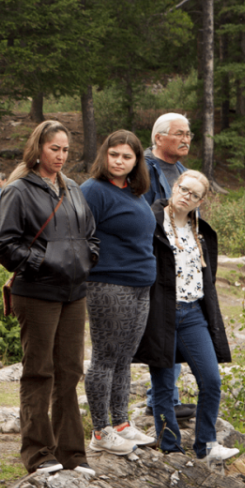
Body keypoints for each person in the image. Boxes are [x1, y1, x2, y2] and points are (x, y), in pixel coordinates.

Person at [0, 121, 100, 476]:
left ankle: (73, 454)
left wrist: (87, 260)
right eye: (54, 148)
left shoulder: (72, 188)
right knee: (39, 372)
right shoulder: (18, 190)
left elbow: (90, 234)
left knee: (69, 373)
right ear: (38, 149)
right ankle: (39, 453)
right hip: (36, 292)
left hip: (74, 293)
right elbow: (3, 245)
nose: (61, 156)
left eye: (66, 149)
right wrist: (45, 263)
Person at [134, 171, 239, 463]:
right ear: (174, 187)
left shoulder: (200, 229)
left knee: (211, 379)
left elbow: (208, 275)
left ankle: (206, 445)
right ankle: (170, 447)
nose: (186, 196)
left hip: (193, 313)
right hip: (160, 314)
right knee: (164, 385)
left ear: (200, 201)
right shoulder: (150, 221)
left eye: (194, 195)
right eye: (183, 189)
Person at [79, 131, 157, 457]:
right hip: (109, 285)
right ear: (104, 156)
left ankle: (122, 424)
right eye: (114, 155)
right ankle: (100, 431)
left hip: (140, 285)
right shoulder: (93, 191)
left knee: (125, 358)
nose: (120, 161)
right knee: (105, 358)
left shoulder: (134, 192)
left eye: (127, 156)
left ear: (137, 161)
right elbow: (79, 235)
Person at [143, 112, 195, 420]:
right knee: (161, 329)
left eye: (188, 134)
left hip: (180, 261)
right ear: (159, 137)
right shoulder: (144, 169)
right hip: (153, 259)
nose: (186, 139)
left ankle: (164, 398)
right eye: (179, 133)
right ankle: (161, 400)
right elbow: (140, 214)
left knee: (173, 327)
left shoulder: (183, 171)